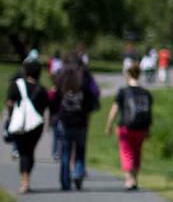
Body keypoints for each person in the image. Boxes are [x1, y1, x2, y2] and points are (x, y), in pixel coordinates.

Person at [50, 58, 98, 190]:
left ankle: (65, 181)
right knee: (80, 150)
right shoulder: (85, 81)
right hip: (81, 121)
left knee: (65, 152)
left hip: (65, 121)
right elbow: (93, 98)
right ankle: (78, 172)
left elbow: (53, 99)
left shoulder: (62, 80)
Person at [105, 64, 154, 191]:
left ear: (128, 74)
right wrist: (148, 129)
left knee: (127, 153)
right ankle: (135, 179)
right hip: (141, 128)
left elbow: (114, 110)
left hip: (126, 128)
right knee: (137, 153)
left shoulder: (123, 91)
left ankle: (129, 180)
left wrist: (109, 125)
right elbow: (149, 113)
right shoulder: (146, 93)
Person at [5, 61, 49, 193]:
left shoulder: (16, 85)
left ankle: (24, 180)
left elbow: (9, 102)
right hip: (36, 125)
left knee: (23, 152)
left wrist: (13, 115)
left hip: (19, 124)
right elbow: (45, 108)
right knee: (30, 152)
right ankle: (26, 178)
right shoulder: (41, 89)